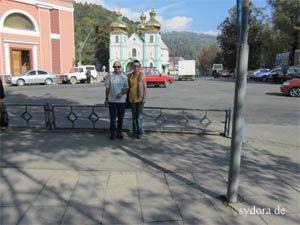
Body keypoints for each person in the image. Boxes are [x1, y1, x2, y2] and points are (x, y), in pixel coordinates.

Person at [104, 61, 129, 140]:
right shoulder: (110, 75)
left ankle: (119, 133)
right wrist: (106, 98)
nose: (116, 68)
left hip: (121, 101)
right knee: (112, 118)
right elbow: (107, 88)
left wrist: (121, 94)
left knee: (120, 118)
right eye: (115, 67)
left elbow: (127, 88)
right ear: (113, 67)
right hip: (112, 100)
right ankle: (112, 133)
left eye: (118, 67)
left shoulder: (124, 76)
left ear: (120, 67)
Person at [127, 60, 147, 139]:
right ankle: (134, 133)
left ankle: (140, 132)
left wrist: (144, 98)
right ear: (132, 67)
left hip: (139, 99)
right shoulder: (129, 76)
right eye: (134, 66)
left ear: (139, 67)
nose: (136, 67)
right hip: (131, 99)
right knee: (134, 117)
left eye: (137, 66)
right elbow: (126, 86)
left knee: (139, 117)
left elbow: (145, 87)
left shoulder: (142, 75)